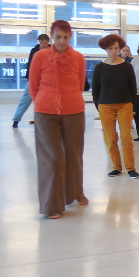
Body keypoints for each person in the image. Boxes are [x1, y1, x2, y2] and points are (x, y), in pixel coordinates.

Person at [28, 20, 88, 219]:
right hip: (46, 113)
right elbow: (33, 85)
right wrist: (44, 102)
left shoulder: (79, 58)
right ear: (52, 37)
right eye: (58, 37)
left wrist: (69, 100)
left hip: (74, 111)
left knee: (74, 155)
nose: (62, 41)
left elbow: (80, 84)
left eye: (65, 37)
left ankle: (74, 193)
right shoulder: (40, 56)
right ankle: (51, 206)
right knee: (52, 158)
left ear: (71, 36)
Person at [93, 34, 139, 179]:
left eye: (116, 48)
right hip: (105, 106)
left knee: (126, 137)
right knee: (111, 138)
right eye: (110, 48)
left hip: (125, 105)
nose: (113, 51)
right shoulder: (99, 67)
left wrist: (131, 105)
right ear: (105, 49)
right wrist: (99, 107)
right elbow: (95, 90)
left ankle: (130, 167)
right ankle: (116, 167)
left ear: (120, 48)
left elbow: (133, 88)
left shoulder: (127, 67)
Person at [12, 34, 50, 128]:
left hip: (47, 81)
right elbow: (30, 65)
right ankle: (16, 120)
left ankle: (47, 120)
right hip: (34, 80)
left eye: (45, 43)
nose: (43, 45)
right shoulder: (34, 51)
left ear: (48, 42)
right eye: (41, 43)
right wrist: (30, 78)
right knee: (25, 99)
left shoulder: (52, 51)